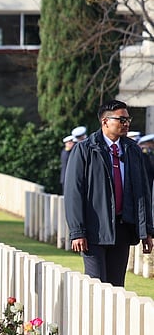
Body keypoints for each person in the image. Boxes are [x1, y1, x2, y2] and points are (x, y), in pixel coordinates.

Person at [64, 99, 154, 287]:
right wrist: (77, 231)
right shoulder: (85, 149)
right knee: (96, 286)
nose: (126, 123)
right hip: (94, 231)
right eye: (121, 120)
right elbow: (74, 192)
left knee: (117, 287)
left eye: (128, 119)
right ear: (105, 121)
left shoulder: (133, 150)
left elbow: (142, 192)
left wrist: (147, 230)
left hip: (123, 228)